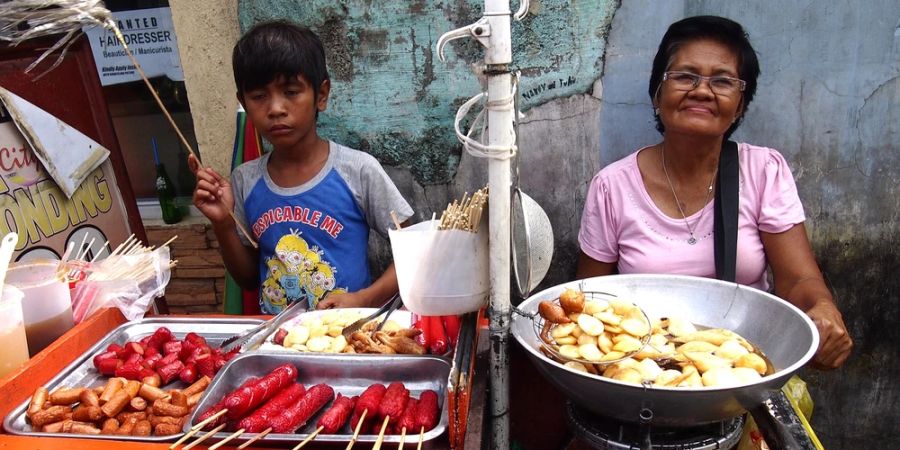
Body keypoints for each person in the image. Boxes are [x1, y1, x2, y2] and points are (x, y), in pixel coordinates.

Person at [576, 16, 852, 369]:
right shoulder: (612, 187)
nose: (702, 90)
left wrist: (822, 308)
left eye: (722, 81)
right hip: (642, 370)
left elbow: (798, 279)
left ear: (740, 105)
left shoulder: (763, 172)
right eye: (685, 76)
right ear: (657, 94)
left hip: (740, 371)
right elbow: (589, 302)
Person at [190, 20, 413, 314]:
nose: (275, 109)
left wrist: (366, 298)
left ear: (321, 95)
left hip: (346, 340)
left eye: (292, 92)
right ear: (242, 100)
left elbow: (412, 250)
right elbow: (247, 278)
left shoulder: (357, 171)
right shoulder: (245, 180)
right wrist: (223, 225)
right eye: (258, 97)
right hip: (279, 343)